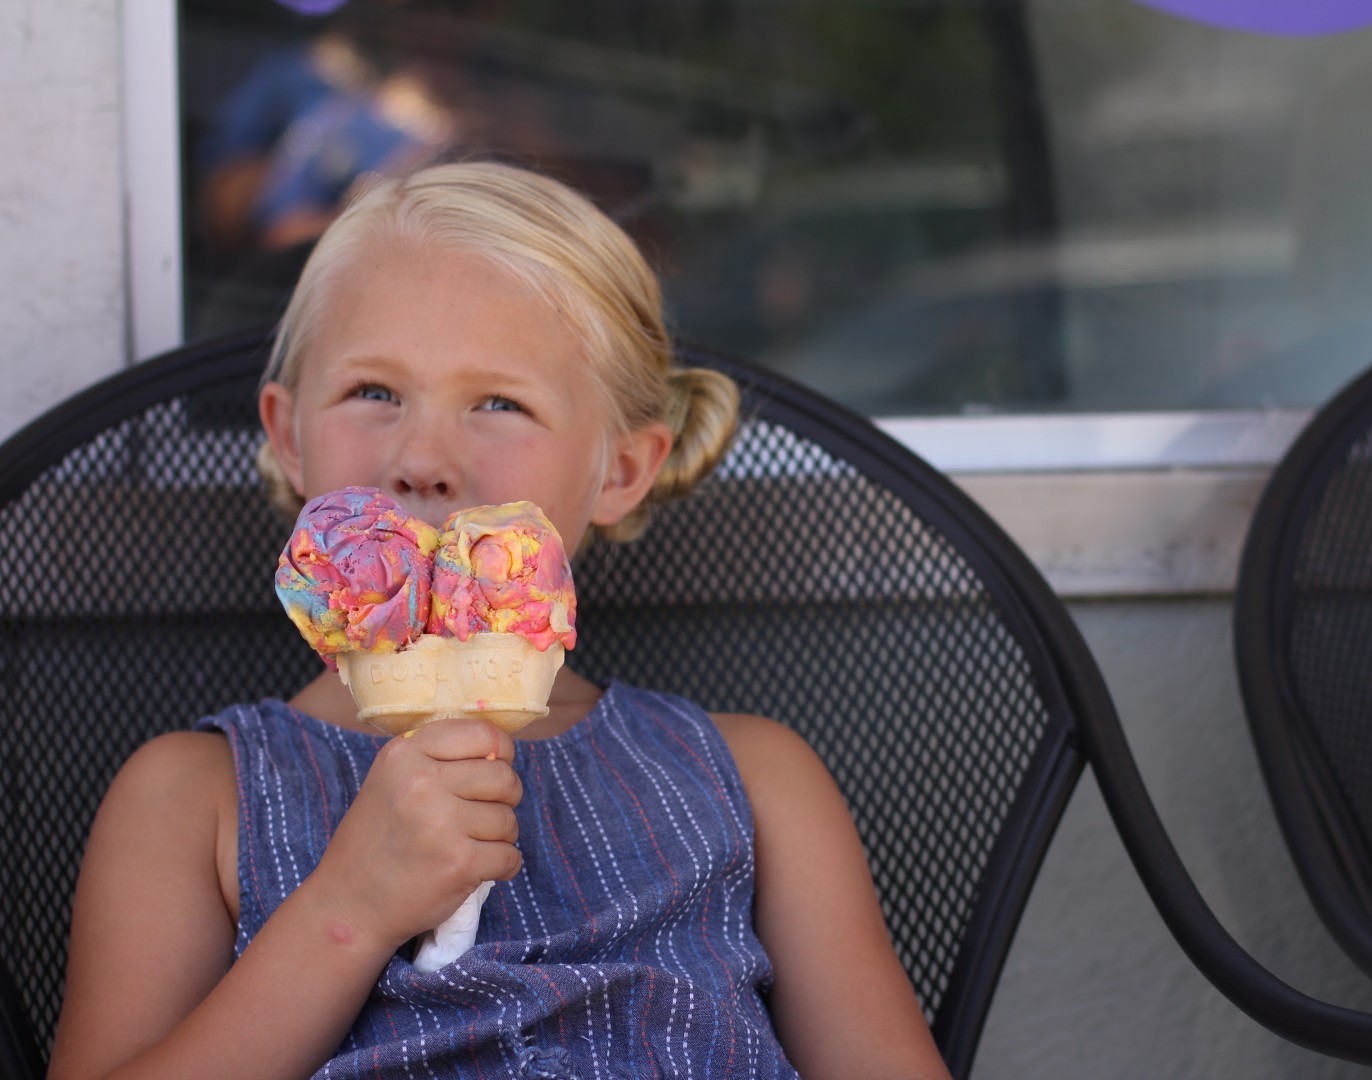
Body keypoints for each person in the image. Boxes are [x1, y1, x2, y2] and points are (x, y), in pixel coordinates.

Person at [50, 161, 950, 1080]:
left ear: (622, 469)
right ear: (288, 436)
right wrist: (346, 911)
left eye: (499, 403)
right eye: (373, 392)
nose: (423, 458)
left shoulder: (755, 783)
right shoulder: (191, 799)